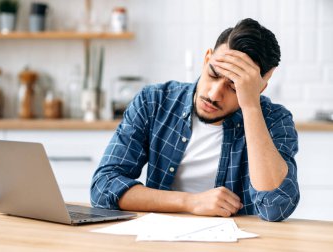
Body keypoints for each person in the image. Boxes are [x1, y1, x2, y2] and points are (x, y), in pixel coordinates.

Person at [91, 18, 299, 222]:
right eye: (214, 74)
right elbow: (103, 187)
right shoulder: (153, 102)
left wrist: (251, 106)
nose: (214, 94)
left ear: (259, 88)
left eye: (234, 87)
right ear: (207, 58)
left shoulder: (275, 120)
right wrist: (190, 202)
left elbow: (275, 207)